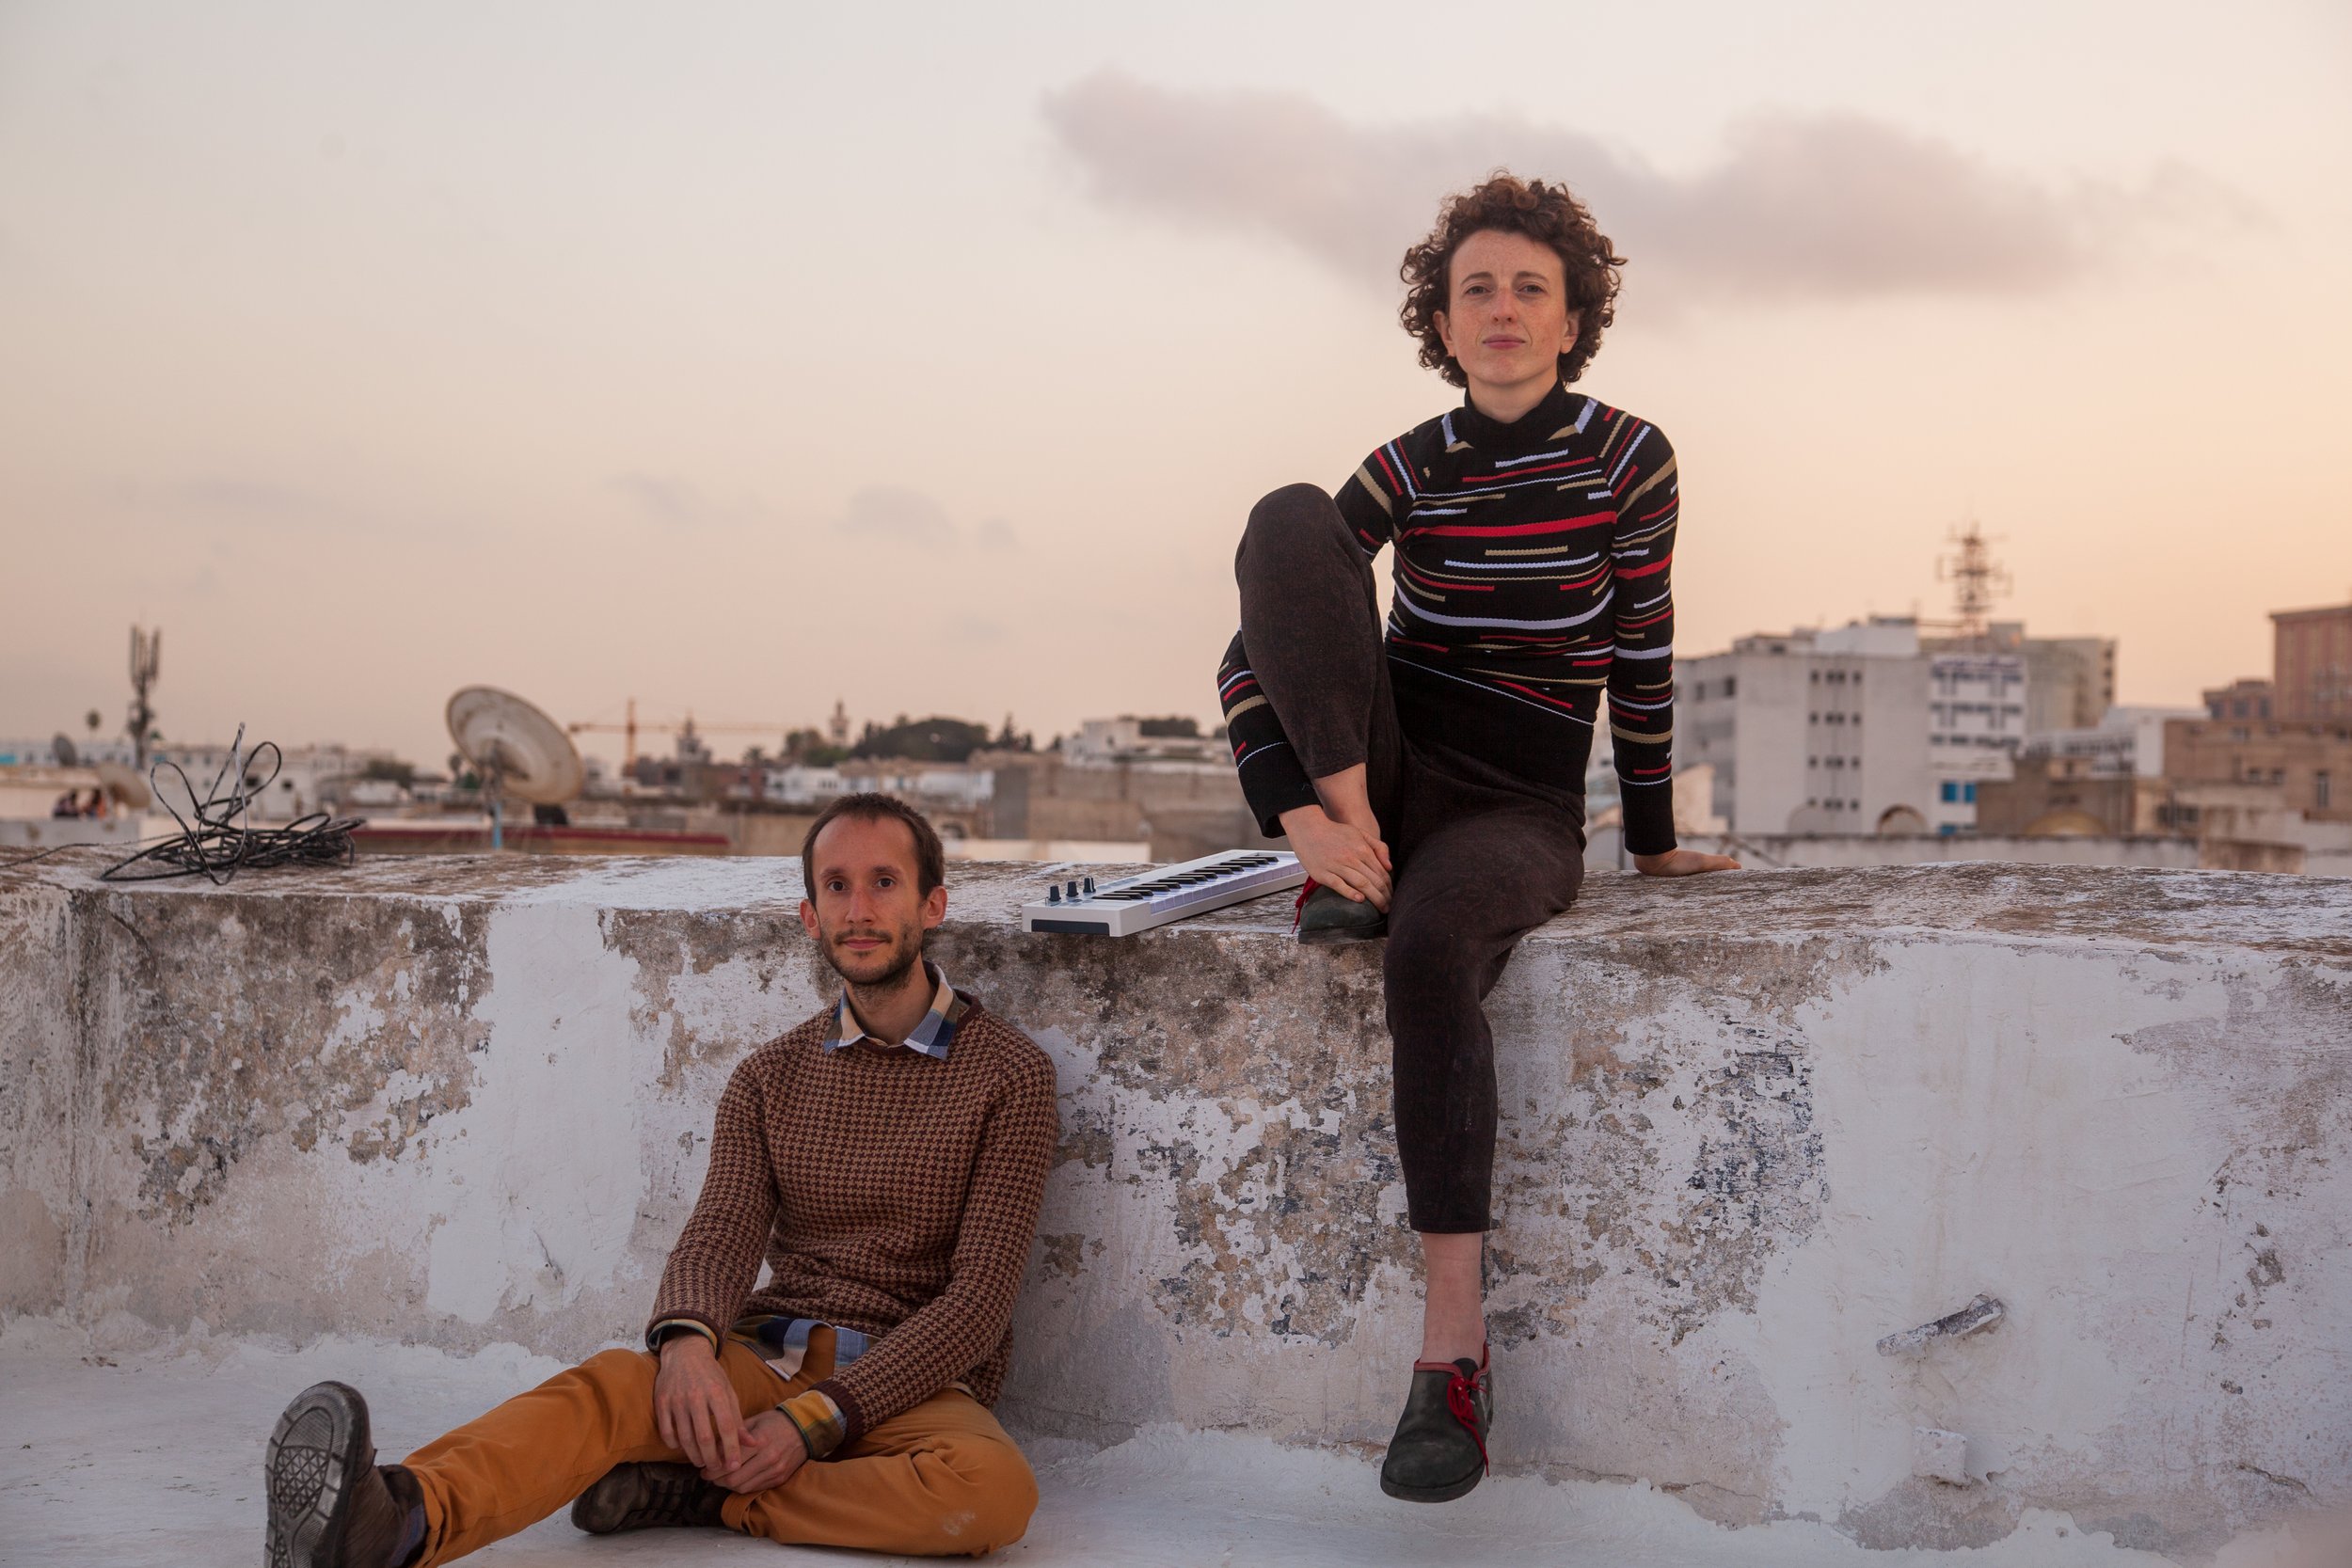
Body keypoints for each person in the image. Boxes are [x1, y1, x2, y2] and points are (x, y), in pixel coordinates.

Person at [1215, 173, 1739, 1504]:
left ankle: (1450, 1353)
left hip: (1517, 796)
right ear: (1442, 324)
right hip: (1382, 770)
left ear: (1573, 319)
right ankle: (1351, 857)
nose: (1502, 309)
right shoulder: (1410, 462)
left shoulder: (1630, 457)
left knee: (1430, 944)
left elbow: (1643, 650)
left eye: (1530, 289)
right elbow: (1256, 645)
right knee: (1286, 518)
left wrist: (1653, 839)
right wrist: (1308, 821)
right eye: (1476, 290)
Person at [262, 793, 1059, 1565]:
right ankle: (399, 1520)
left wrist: (816, 1421)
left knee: (991, 1492)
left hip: (912, 1383)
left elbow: (978, 1303)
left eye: (884, 881)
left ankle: (703, 1495)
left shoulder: (1009, 1074)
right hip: (770, 1358)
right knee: (610, 1389)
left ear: (932, 904)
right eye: (837, 885)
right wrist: (686, 1343)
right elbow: (721, 1233)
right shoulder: (768, 1077)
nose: (860, 909)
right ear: (810, 916)